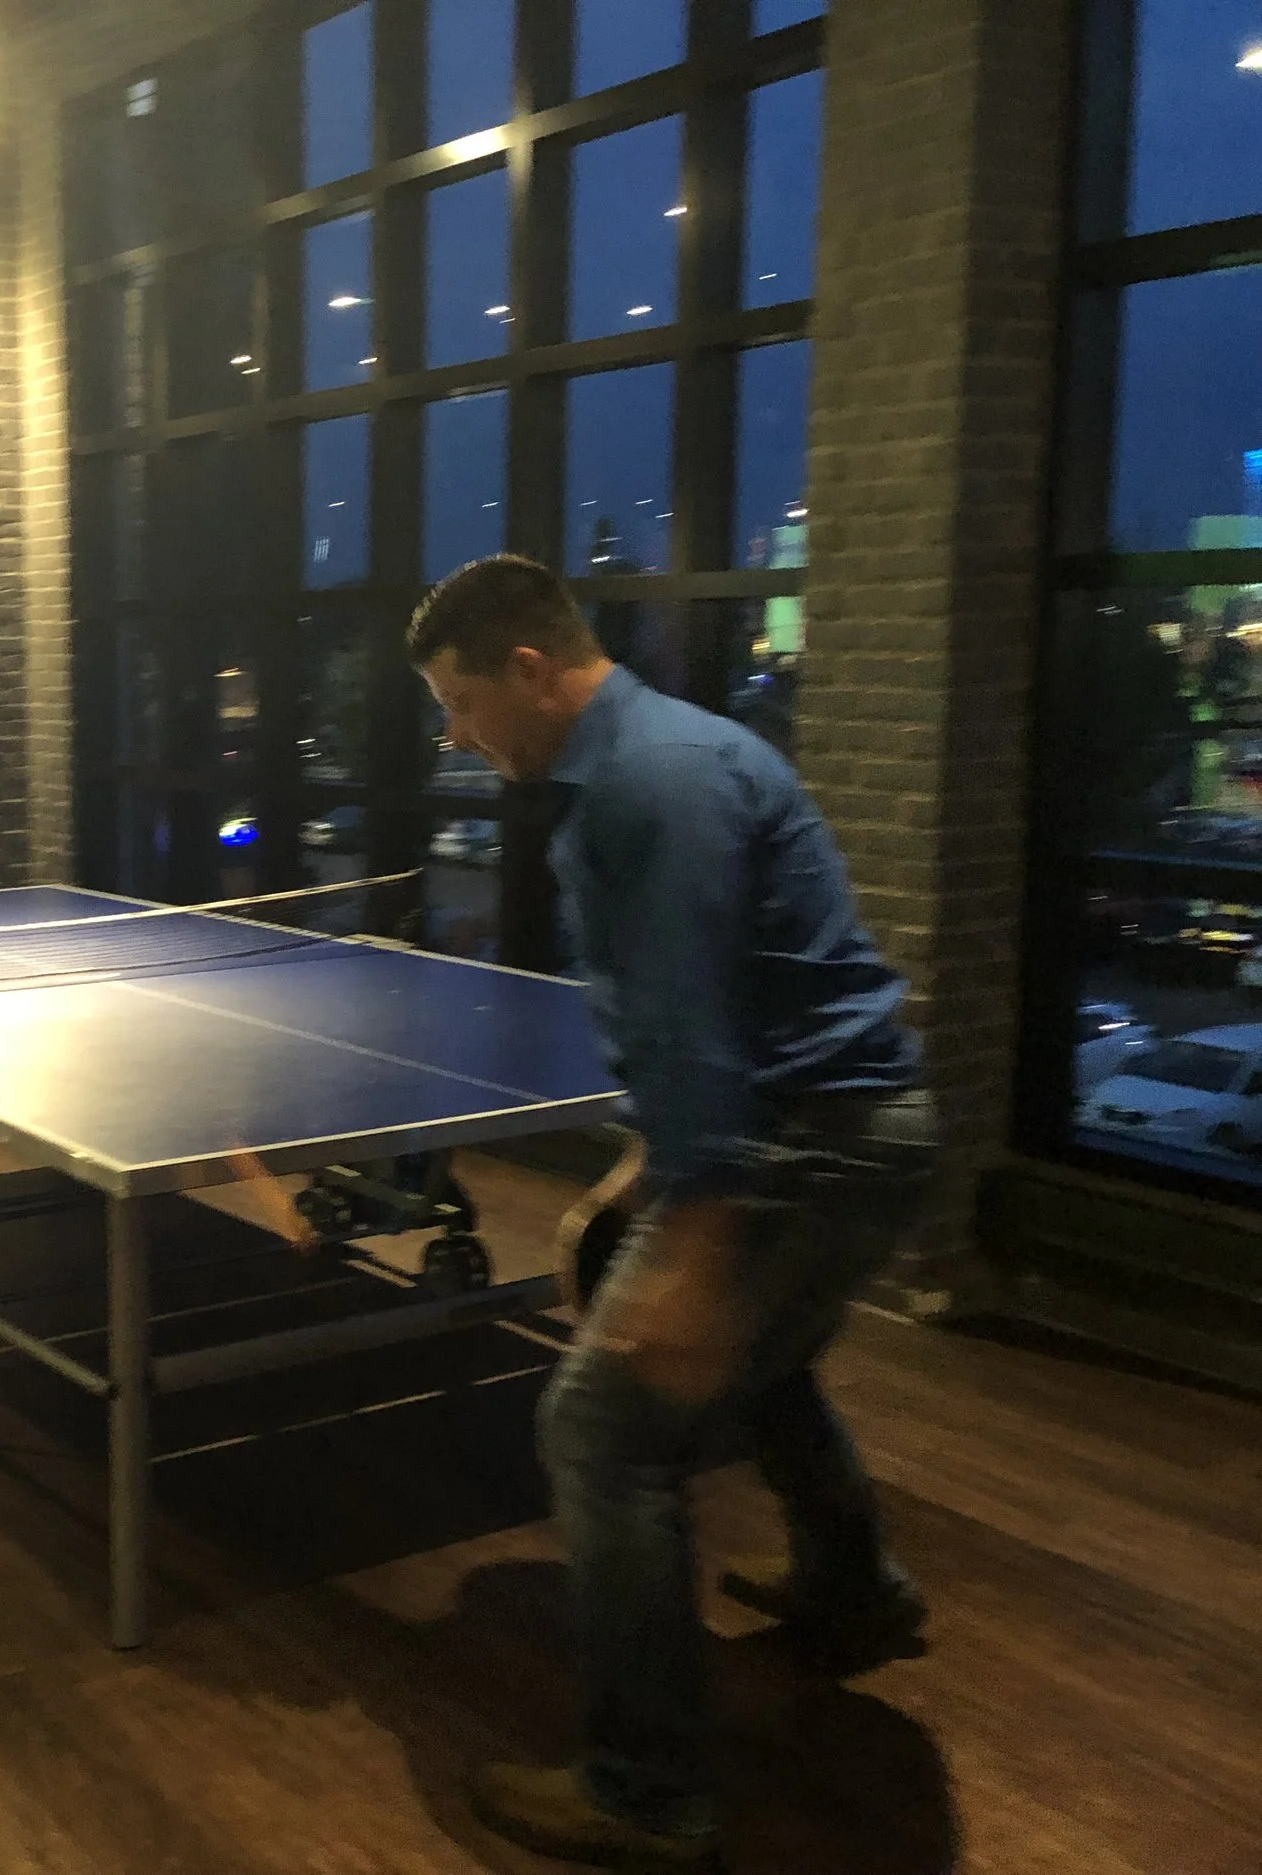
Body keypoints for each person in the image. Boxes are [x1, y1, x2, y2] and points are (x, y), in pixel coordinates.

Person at [406, 556, 934, 1872]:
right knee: (770, 1370)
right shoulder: (673, 754)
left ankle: (647, 1791)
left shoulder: (648, 784)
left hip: (806, 1148)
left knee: (601, 1432)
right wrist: (647, 1170)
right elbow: (722, 1004)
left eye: (461, 702)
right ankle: (853, 1595)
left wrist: (692, 1240)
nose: (458, 735)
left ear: (530, 669)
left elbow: (692, 1017)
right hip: (855, 1135)